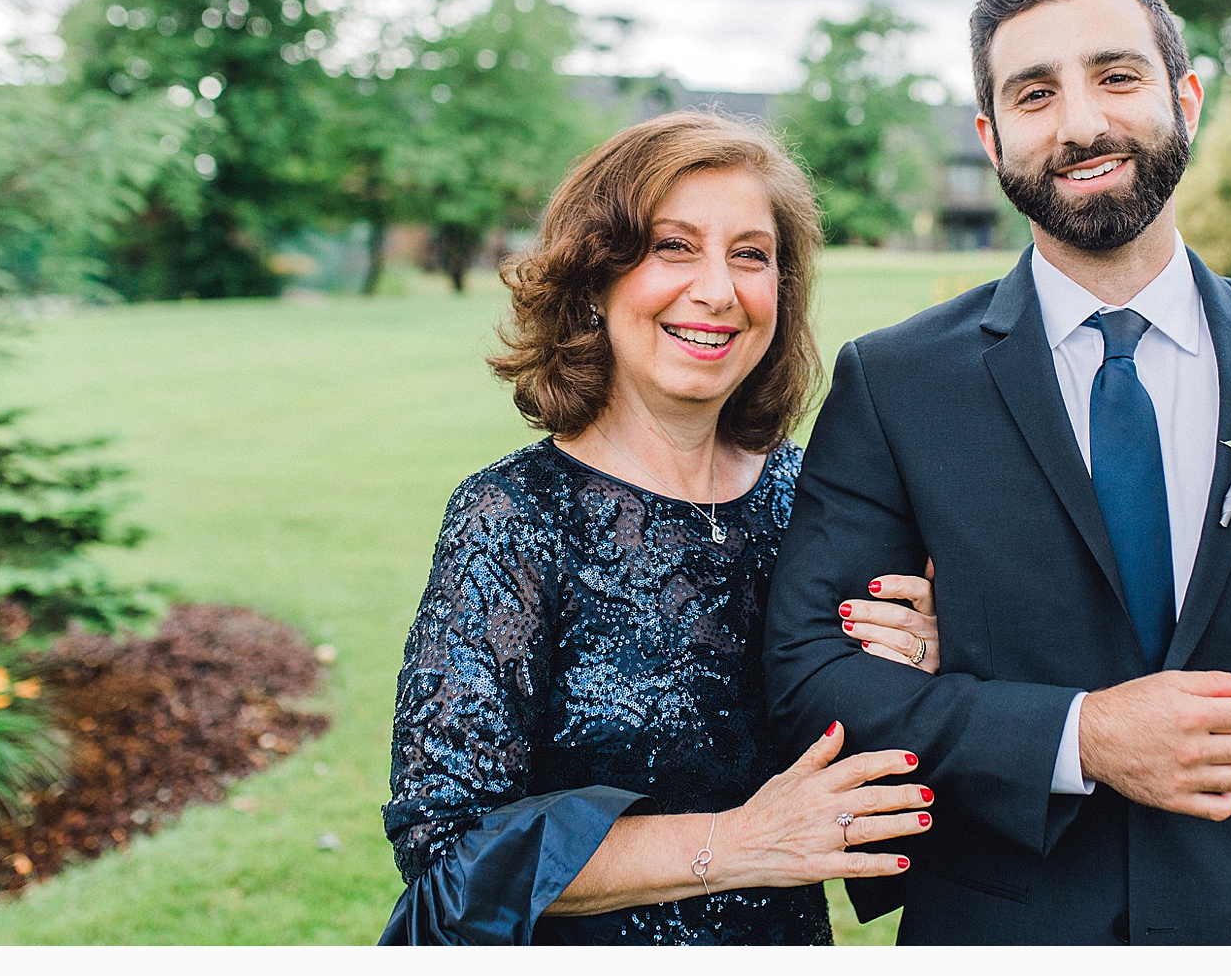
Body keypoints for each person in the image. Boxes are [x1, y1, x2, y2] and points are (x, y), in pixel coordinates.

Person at [765, 0, 1231, 944]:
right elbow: (806, 676)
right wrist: (1074, 736)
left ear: (1185, 97)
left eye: (1115, 75)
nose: (1081, 121)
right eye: (1034, 92)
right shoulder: (894, 384)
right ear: (990, 133)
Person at [380, 112, 943, 945]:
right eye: (673, 247)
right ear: (594, 278)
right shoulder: (513, 517)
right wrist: (739, 842)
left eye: (749, 254)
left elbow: (869, 771)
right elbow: (451, 851)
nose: (717, 289)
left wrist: (922, 664)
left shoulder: (812, 493)